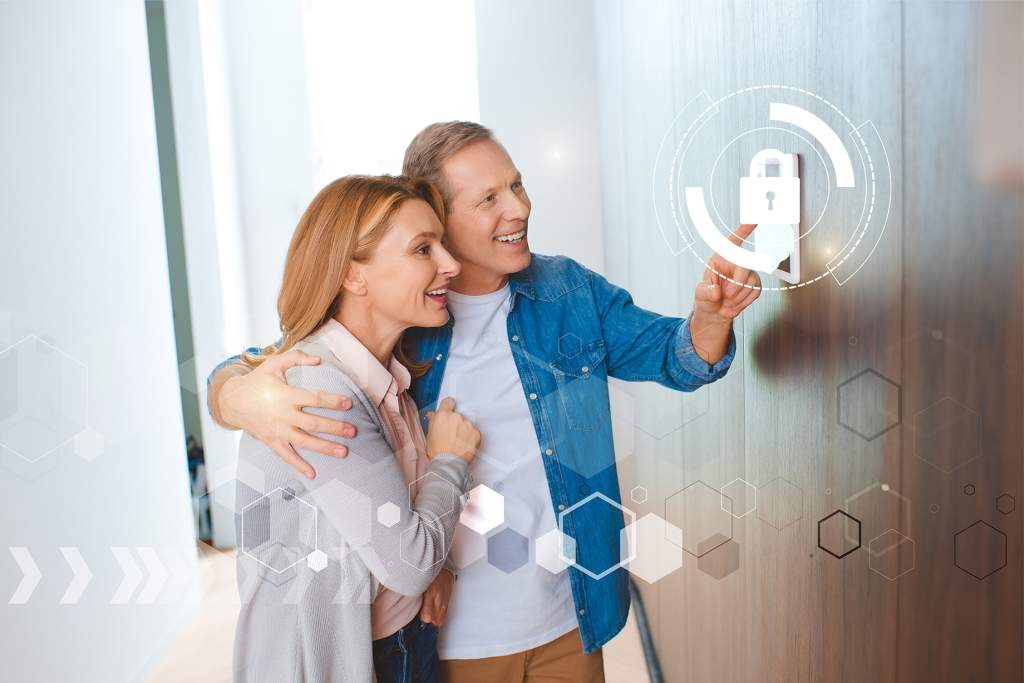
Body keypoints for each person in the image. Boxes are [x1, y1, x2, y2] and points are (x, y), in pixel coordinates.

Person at [211, 122, 761, 682]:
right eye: (489, 199)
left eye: (517, 186)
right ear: (439, 218)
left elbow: (675, 356)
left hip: (568, 615)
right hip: (446, 633)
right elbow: (277, 361)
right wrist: (238, 395)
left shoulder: (567, 291)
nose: (519, 209)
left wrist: (710, 321)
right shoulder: (403, 318)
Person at [231, 174, 480, 683]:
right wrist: (450, 460)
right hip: (355, 661)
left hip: (403, 637)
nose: (451, 265)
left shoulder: (388, 380)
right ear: (353, 276)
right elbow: (408, 563)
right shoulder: (321, 390)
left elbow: (399, 533)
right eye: (422, 249)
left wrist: (442, 567)